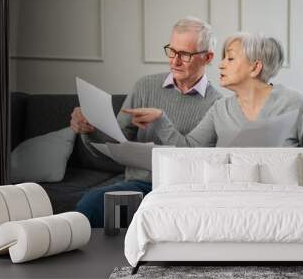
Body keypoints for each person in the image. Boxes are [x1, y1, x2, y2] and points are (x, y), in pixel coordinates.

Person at [71, 17, 222, 227]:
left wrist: (161, 119)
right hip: (137, 184)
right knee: (91, 205)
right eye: (172, 50)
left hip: (181, 190)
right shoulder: (145, 86)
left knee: (93, 205)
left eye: (185, 54)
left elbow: (192, 160)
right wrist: (88, 129)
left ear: (208, 57)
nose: (174, 61)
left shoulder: (217, 104)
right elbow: (115, 144)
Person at [124, 32, 303, 174]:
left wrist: (278, 162)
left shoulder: (294, 102)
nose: (221, 65)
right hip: (229, 199)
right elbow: (189, 150)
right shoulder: (220, 108)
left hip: (281, 198)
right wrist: (161, 119)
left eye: (230, 58)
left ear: (255, 67)